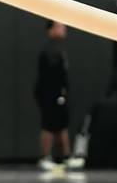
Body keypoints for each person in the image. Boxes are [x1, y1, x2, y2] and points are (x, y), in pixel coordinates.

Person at [34, 21, 82, 170]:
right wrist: (55, 94)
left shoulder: (59, 50)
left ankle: (66, 157)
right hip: (49, 95)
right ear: (51, 30)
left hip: (59, 95)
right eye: (60, 27)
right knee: (48, 125)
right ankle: (44, 158)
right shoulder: (48, 51)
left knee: (62, 125)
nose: (64, 29)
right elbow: (49, 76)